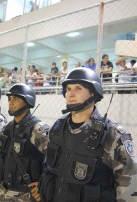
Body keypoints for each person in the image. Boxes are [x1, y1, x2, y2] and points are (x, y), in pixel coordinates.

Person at [39, 67, 137, 202]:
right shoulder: (57, 128)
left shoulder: (113, 135)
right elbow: (49, 167)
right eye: (68, 89)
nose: (70, 94)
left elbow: (128, 187)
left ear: (93, 93)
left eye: (78, 88)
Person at [0, 83, 49, 201]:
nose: (11, 102)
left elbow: (55, 160)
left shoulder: (37, 129)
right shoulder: (7, 128)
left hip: (25, 195)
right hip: (2, 192)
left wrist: (44, 184)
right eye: (9, 98)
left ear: (27, 101)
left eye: (16, 98)